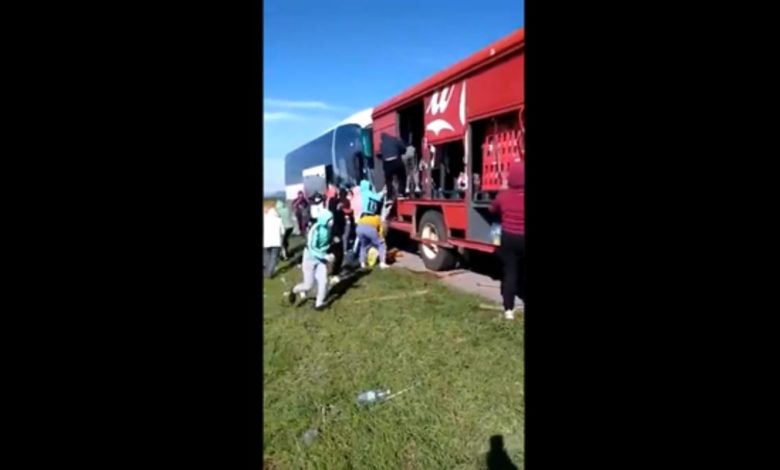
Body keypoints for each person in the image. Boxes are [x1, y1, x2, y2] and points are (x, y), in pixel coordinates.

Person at [489, 159, 525, 320]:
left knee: (510, 273)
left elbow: (492, 209)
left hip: (508, 238)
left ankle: (509, 310)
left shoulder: (503, 196)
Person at [287, 209, 335, 310]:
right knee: (308, 285)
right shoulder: (315, 229)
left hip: (321, 260)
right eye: (330, 219)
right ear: (324, 219)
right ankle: (294, 290)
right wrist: (325, 256)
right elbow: (311, 247)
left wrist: (333, 241)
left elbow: (326, 242)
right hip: (310, 259)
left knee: (324, 281)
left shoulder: (328, 228)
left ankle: (319, 304)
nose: (332, 221)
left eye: (332, 219)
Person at [380, 133, 407, 199]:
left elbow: (382, 154)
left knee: (388, 180)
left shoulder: (381, 144)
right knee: (402, 177)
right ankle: (401, 193)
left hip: (387, 163)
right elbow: (404, 149)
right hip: (396, 161)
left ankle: (389, 196)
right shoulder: (395, 140)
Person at [263, 204, 285, 278]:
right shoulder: (279, 220)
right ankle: (269, 273)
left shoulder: (265, 219)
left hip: (266, 241)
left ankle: (266, 270)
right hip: (276, 242)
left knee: (267, 256)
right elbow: (283, 232)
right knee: (273, 258)